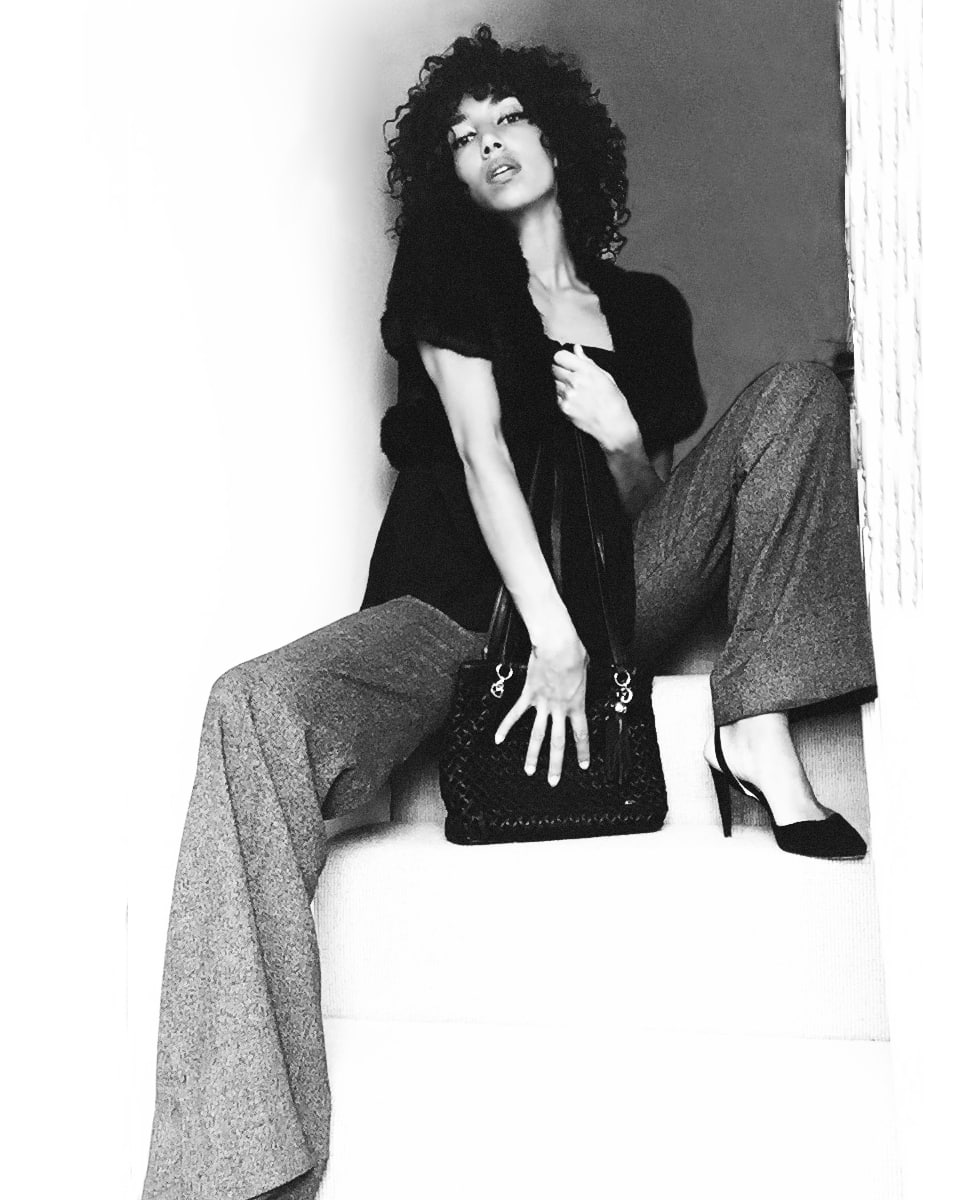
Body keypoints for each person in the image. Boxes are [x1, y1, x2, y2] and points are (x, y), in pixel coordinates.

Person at [140, 25, 876, 1200]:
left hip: (613, 590)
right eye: (461, 135)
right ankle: (229, 1173)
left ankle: (759, 717)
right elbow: (483, 455)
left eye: (507, 118)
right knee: (251, 705)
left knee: (797, 394)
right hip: (450, 606)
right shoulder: (447, 266)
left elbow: (647, 508)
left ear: (559, 139)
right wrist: (557, 639)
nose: (487, 144)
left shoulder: (646, 308)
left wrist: (624, 437)